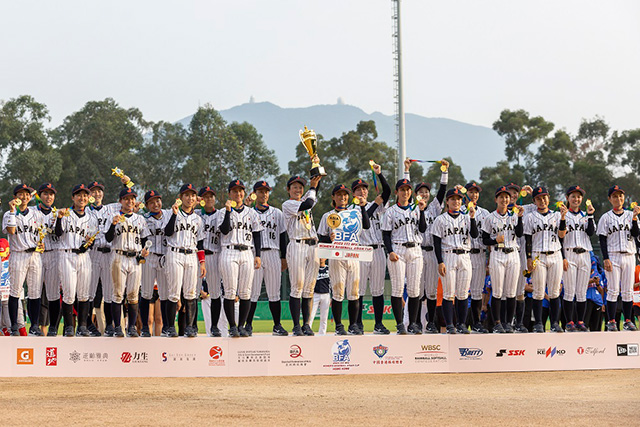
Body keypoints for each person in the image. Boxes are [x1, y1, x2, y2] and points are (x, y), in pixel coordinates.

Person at [402, 158, 449, 334]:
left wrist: (444, 172)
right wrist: (407, 170)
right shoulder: (412, 208)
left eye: (426, 191)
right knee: (416, 290)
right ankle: (412, 322)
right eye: (420, 191)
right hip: (416, 251)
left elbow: (443, 191)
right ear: (415, 194)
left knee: (430, 290)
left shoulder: (434, 209)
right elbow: (405, 186)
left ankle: (430, 322)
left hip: (431, 253)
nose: (424, 193)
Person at [317, 184, 371, 335]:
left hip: (353, 254)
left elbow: (366, 225)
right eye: (339, 195)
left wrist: (363, 207)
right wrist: (329, 238)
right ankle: (339, 325)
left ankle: (353, 324)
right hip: (336, 255)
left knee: (354, 292)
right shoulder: (328, 215)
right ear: (333, 197)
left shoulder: (355, 212)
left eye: (345, 195)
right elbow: (321, 238)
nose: (342, 197)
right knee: (338, 292)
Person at [381, 178, 428, 334]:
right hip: (398, 250)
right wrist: (390, 251)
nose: (405, 192)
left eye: (408, 189)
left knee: (415, 290)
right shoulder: (391, 211)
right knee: (397, 288)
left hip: (415, 250)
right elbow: (385, 234)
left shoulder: (417, 208)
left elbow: (422, 229)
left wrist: (422, 211)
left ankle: (413, 324)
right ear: (397, 192)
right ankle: (400, 323)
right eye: (402, 189)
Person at [217, 180, 263, 337]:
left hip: (247, 252)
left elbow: (257, 234)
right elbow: (224, 230)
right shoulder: (223, 212)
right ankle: (232, 326)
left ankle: (242, 326)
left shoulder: (252, 212)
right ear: (229, 194)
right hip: (229, 251)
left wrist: (258, 255)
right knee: (230, 291)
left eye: (241, 191)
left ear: (244, 193)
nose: (238, 194)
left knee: (245, 292)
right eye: (235, 191)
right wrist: (229, 211)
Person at [351, 161, 392, 334]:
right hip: (361, 250)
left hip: (378, 249)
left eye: (365, 188)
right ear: (353, 193)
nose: (363, 191)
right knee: (358, 290)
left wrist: (379, 174)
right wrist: (374, 204)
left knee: (378, 290)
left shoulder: (377, 205)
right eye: (359, 189)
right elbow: (363, 221)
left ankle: (378, 324)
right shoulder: (351, 209)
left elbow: (388, 192)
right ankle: (357, 323)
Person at [431, 187, 479, 334]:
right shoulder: (440, 219)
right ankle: (450, 324)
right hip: (448, 255)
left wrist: (472, 218)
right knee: (448, 293)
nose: (456, 201)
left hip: (465, 255)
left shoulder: (467, 217)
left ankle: (462, 324)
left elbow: (475, 235)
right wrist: (440, 261)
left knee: (463, 293)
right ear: (447, 201)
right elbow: (436, 242)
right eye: (453, 199)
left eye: (458, 199)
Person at [104, 187, 151, 337]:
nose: (130, 201)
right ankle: (118, 326)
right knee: (117, 294)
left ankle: (131, 327)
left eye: (132, 198)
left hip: (135, 258)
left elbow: (145, 239)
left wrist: (146, 249)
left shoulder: (140, 219)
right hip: (119, 256)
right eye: (126, 198)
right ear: (120, 201)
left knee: (133, 294)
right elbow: (108, 238)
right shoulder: (114, 216)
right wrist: (112, 224)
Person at [54, 184, 99, 336]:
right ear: (73, 197)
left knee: (84, 294)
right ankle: (68, 327)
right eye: (79, 195)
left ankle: (83, 326)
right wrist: (59, 219)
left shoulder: (92, 218)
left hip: (84, 257)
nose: (82, 198)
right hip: (66, 254)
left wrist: (88, 243)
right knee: (69, 293)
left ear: (88, 198)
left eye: (85, 195)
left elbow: (92, 240)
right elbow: (58, 234)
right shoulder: (65, 213)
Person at [282, 173, 323, 336]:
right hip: (297, 244)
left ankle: (307, 324)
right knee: (297, 286)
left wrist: (316, 175)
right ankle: (296, 325)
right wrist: (312, 187)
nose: (298, 189)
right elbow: (309, 203)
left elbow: (313, 194)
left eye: (300, 187)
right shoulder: (288, 204)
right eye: (294, 187)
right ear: (288, 190)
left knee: (309, 288)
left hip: (312, 245)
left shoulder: (304, 199)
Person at [164, 184, 207, 337]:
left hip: (191, 255)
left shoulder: (198, 219)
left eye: (192, 195)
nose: (190, 198)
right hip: (175, 252)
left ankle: (189, 327)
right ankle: (170, 327)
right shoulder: (172, 213)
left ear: (196, 198)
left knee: (191, 293)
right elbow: (167, 232)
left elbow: (200, 242)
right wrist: (174, 215)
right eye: (186, 195)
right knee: (174, 293)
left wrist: (202, 262)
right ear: (181, 197)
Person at [2, 184, 45, 336]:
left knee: (34, 292)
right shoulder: (8, 214)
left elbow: (43, 232)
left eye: (27, 194)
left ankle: (34, 325)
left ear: (30, 197)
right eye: (20, 194)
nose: (24, 197)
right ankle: (14, 325)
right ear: (15, 197)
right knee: (15, 291)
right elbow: (11, 230)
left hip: (35, 255)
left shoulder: (36, 213)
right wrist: (13, 211)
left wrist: (42, 243)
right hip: (18, 254)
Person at [247, 180, 289, 336]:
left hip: (273, 252)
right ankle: (248, 325)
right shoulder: (249, 212)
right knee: (253, 292)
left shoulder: (277, 213)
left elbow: (283, 236)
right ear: (255, 193)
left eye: (266, 191)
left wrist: (284, 257)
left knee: (274, 293)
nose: (264, 194)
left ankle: (277, 325)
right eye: (260, 191)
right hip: (254, 254)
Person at [524, 186, 568, 333]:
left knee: (555, 291)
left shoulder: (557, 215)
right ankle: (538, 323)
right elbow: (528, 239)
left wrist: (562, 218)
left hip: (555, 254)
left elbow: (561, 235)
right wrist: (529, 258)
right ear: (534, 201)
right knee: (538, 291)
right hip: (538, 255)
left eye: (544, 197)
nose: (542, 200)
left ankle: (555, 323)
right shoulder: (530, 217)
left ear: (549, 198)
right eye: (538, 198)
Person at [596, 185, 640, 331]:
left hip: (629, 254)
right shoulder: (605, 217)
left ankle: (628, 320)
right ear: (610, 199)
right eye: (615, 196)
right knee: (613, 290)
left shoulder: (631, 214)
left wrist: (634, 218)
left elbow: (635, 233)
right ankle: (611, 321)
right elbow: (602, 240)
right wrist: (606, 258)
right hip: (613, 255)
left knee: (627, 290)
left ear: (624, 197)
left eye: (620, 195)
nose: (618, 198)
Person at [481, 185, 524, 333]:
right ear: (496, 199)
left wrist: (520, 217)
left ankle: (508, 323)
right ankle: (497, 322)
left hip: (513, 253)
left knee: (511, 292)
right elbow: (484, 240)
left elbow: (519, 233)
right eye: (501, 197)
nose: (504, 199)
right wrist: (494, 240)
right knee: (498, 291)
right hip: (497, 253)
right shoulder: (490, 218)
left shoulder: (514, 215)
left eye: (507, 197)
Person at [561, 185, 596, 332]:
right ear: (567, 198)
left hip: (585, 254)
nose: (576, 199)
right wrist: (562, 257)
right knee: (569, 291)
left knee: (581, 291)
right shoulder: (562, 214)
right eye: (573, 196)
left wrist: (590, 215)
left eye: (579, 196)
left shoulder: (586, 215)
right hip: (569, 253)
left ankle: (580, 322)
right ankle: (569, 322)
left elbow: (591, 232)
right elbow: (559, 237)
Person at [140, 190, 169, 337]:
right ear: (146, 205)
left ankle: (166, 327)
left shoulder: (169, 214)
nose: (155, 204)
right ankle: (145, 327)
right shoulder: (142, 218)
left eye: (157, 200)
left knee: (164, 294)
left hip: (164, 257)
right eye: (151, 202)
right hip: (149, 257)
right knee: (146, 293)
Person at [197, 185, 224, 337]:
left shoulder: (220, 214)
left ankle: (214, 326)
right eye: (205, 196)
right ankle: (191, 326)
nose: (209, 199)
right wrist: (195, 202)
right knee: (191, 293)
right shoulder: (193, 214)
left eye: (211, 196)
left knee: (214, 293)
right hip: (196, 256)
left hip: (214, 255)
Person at [464, 182, 490, 333]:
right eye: (471, 192)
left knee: (477, 291)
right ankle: (460, 322)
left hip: (479, 253)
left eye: (476, 192)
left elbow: (489, 236)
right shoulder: (459, 210)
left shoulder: (485, 213)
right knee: (461, 290)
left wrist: (489, 259)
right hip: (464, 253)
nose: (474, 195)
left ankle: (476, 323)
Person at [37, 183, 62, 336]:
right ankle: (36, 326)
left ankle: (53, 327)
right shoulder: (33, 212)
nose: (49, 197)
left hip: (53, 253)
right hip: (37, 254)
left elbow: (59, 234)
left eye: (51, 194)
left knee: (53, 294)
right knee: (36, 292)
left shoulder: (57, 213)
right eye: (45, 194)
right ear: (40, 196)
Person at [310, 259, 331, 335]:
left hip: (326, 295)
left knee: (324, 317)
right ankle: (308, 330)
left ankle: (322, 334)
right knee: (311, 315)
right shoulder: (314, 268)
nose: (321, 258)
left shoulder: (329, 268)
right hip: (315, 294)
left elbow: (331, 283)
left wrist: (331, 297)